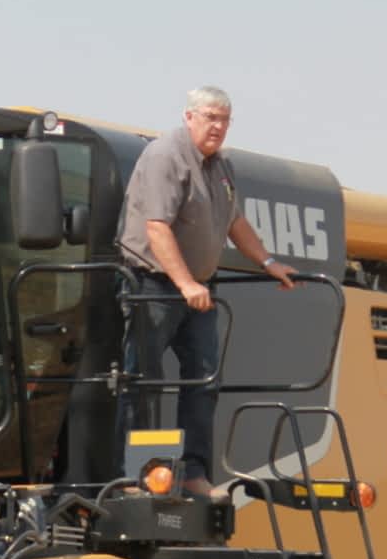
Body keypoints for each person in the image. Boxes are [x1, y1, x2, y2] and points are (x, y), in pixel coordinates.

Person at [117, 85, 298, 494]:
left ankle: (194, 472)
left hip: (196, 291)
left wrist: (268, 263)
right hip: (153, 283)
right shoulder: (166, 156)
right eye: (210, 117)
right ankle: (136, 476)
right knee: (143, 379)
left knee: (203, 379)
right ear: (189, 117)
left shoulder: (220, 165)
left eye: (224, 119)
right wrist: (184, 283)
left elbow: (234, 221)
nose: (217, 127)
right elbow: (156, 227)